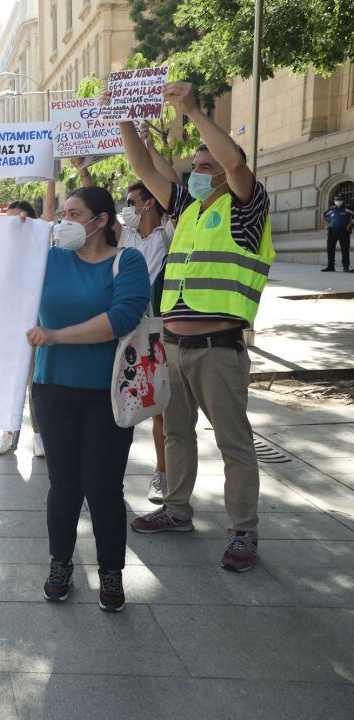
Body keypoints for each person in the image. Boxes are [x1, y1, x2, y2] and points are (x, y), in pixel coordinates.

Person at [119, 82, 275, 573]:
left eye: (207, 166)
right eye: (197, 167)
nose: (199, 173)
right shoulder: (186, 210)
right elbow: (144, 168)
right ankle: (178, 510)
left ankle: (243, 532)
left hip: (219, 349)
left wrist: (192, 112)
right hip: (175, 346)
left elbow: (234, 162)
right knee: (178, 436)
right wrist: (123, 118)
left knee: (233, 443)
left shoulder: (247, 206)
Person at [27, 187, 151, 611]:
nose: (64, 222)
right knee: (63, 486)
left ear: (101, 221)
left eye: (74, 214)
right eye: (62, 213)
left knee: (102, 488)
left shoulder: (127, 261)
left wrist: (57, 336)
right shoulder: (49, 260)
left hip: (108, 395)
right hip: (53, 389)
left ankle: (111, 572)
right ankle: (59, 563)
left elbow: (121, 319)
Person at [75, 141, 175, 504]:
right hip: (125, 329)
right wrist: (83, 170)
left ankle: (162, 474)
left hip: (158, 330)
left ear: (149, 203)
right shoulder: (128, 236)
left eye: (131, 202)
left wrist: (149, 146)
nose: (126, 210)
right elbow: (101, 212)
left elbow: (170, 182)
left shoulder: (170, 236)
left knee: (160, 406)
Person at [0, 179, 57, 458]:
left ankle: (39, 435)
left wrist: (50, 176)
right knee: (8, 381)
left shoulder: (39, 245)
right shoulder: (0, 248)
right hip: (6, 325)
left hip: (36, 324)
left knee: (35, 383)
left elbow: (48, 210)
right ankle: (7, 432)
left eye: (17, 219)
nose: (11, 225)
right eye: (7, 220)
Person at [321, 196, 353, 272]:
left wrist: (350, 224)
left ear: (343, 200)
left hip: (344, 232)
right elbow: (323, 215)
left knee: (344, 250)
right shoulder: (332, 209)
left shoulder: (347, 208)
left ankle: (345, 267)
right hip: (332, 231)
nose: (338, 201)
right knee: (330, 249)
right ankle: (330, 266)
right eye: (336, 200)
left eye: (340, 199)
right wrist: (327, 223)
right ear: (334, 200)